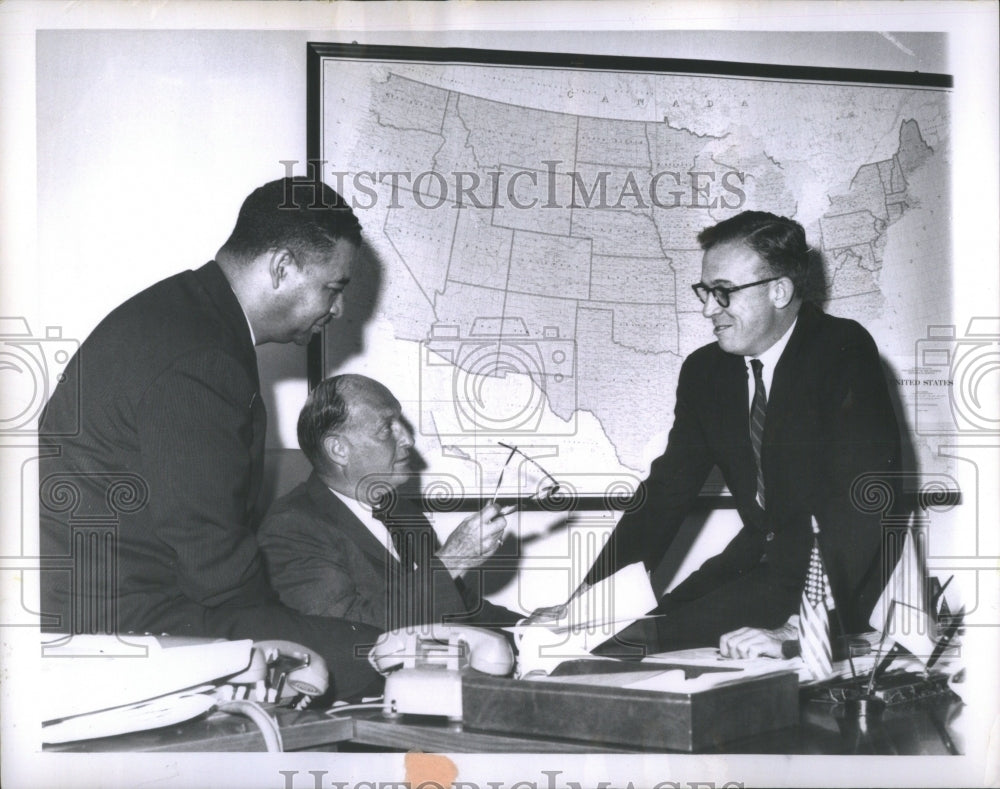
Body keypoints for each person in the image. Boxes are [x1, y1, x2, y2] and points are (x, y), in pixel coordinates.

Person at [38, 177, 381, 699]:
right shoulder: (201, 356)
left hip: (115, 603)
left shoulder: (182, 314)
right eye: (333, 288)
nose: (336, 310)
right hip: (126, 626)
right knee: (386, 659)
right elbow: (216, 569)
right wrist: (290, 630)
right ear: (282, 267)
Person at [534, 211, 901, 659]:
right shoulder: (705, 371)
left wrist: (799, 628)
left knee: (648, 647)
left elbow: (862, 502)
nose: (709, 309)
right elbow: (666, 493)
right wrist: (585, 604)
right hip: (755, 561)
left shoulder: (841, 349)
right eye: (706, 292)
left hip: (834, 576)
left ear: (779, 290)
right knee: (616, 637)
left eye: (723, 293)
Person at [258, 374, 521, 632]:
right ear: (339, 449)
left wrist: (526, 627)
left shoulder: (401, 511)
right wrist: (452, 560)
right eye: (387, 429)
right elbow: (344, 629)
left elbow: (458, 604)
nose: (408, 439)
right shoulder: (292, 528)